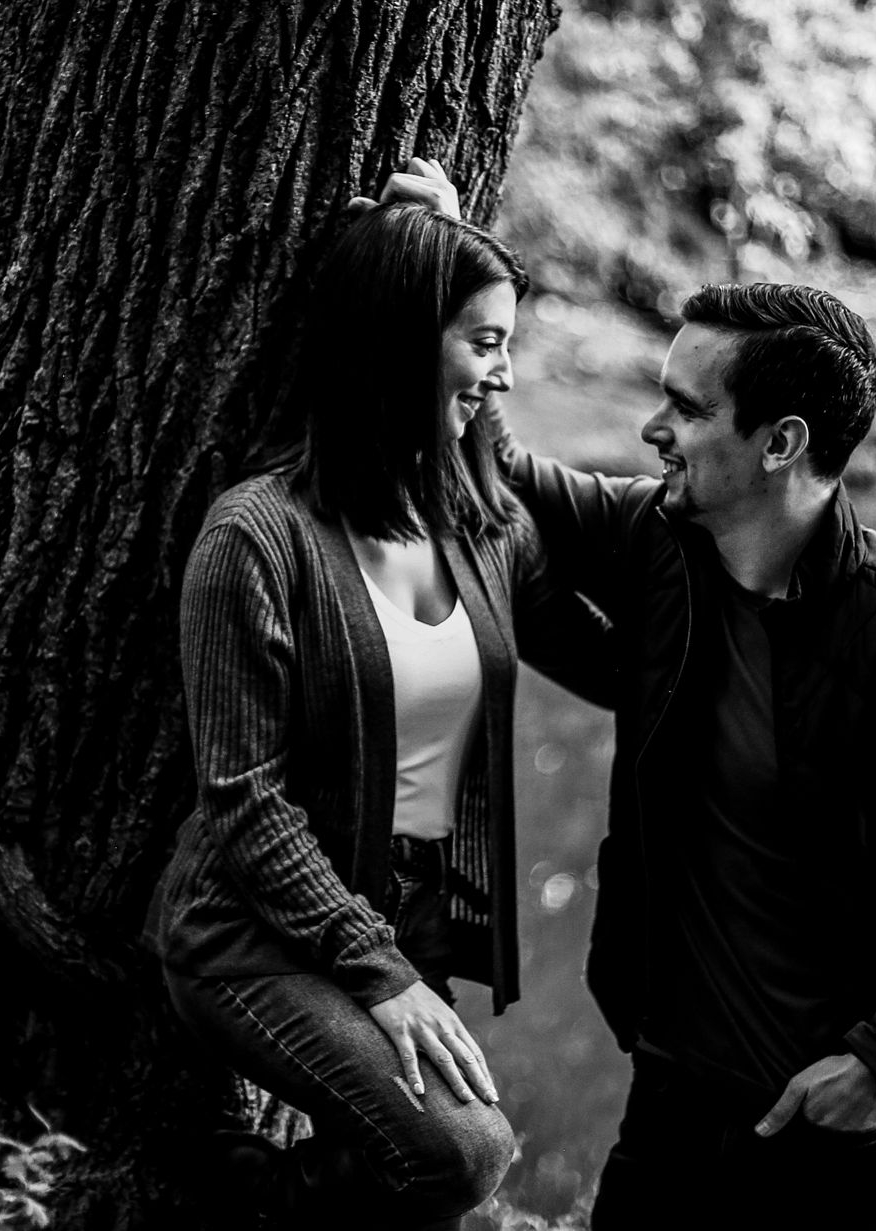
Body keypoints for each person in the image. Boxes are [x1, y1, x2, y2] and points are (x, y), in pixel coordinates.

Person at [379, 167, 876, 1229]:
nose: (651, 428)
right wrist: (447, 265)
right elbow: (494, 470)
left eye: (685, 408)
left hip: (841, 1129)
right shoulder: (655, 536)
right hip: (675, 1089)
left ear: (780, 442)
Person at [146, 170, 611, 1229]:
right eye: (484, 343)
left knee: (435, 1156)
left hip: (392, 926)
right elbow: (246, 806)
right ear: (399, 341)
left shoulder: (477, 525)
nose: (505, 374)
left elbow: (615, 666)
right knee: (464, 1154)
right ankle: (236, 1187)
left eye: (507, 343)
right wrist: (382, 974)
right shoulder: (254, 539)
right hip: (246, 933)